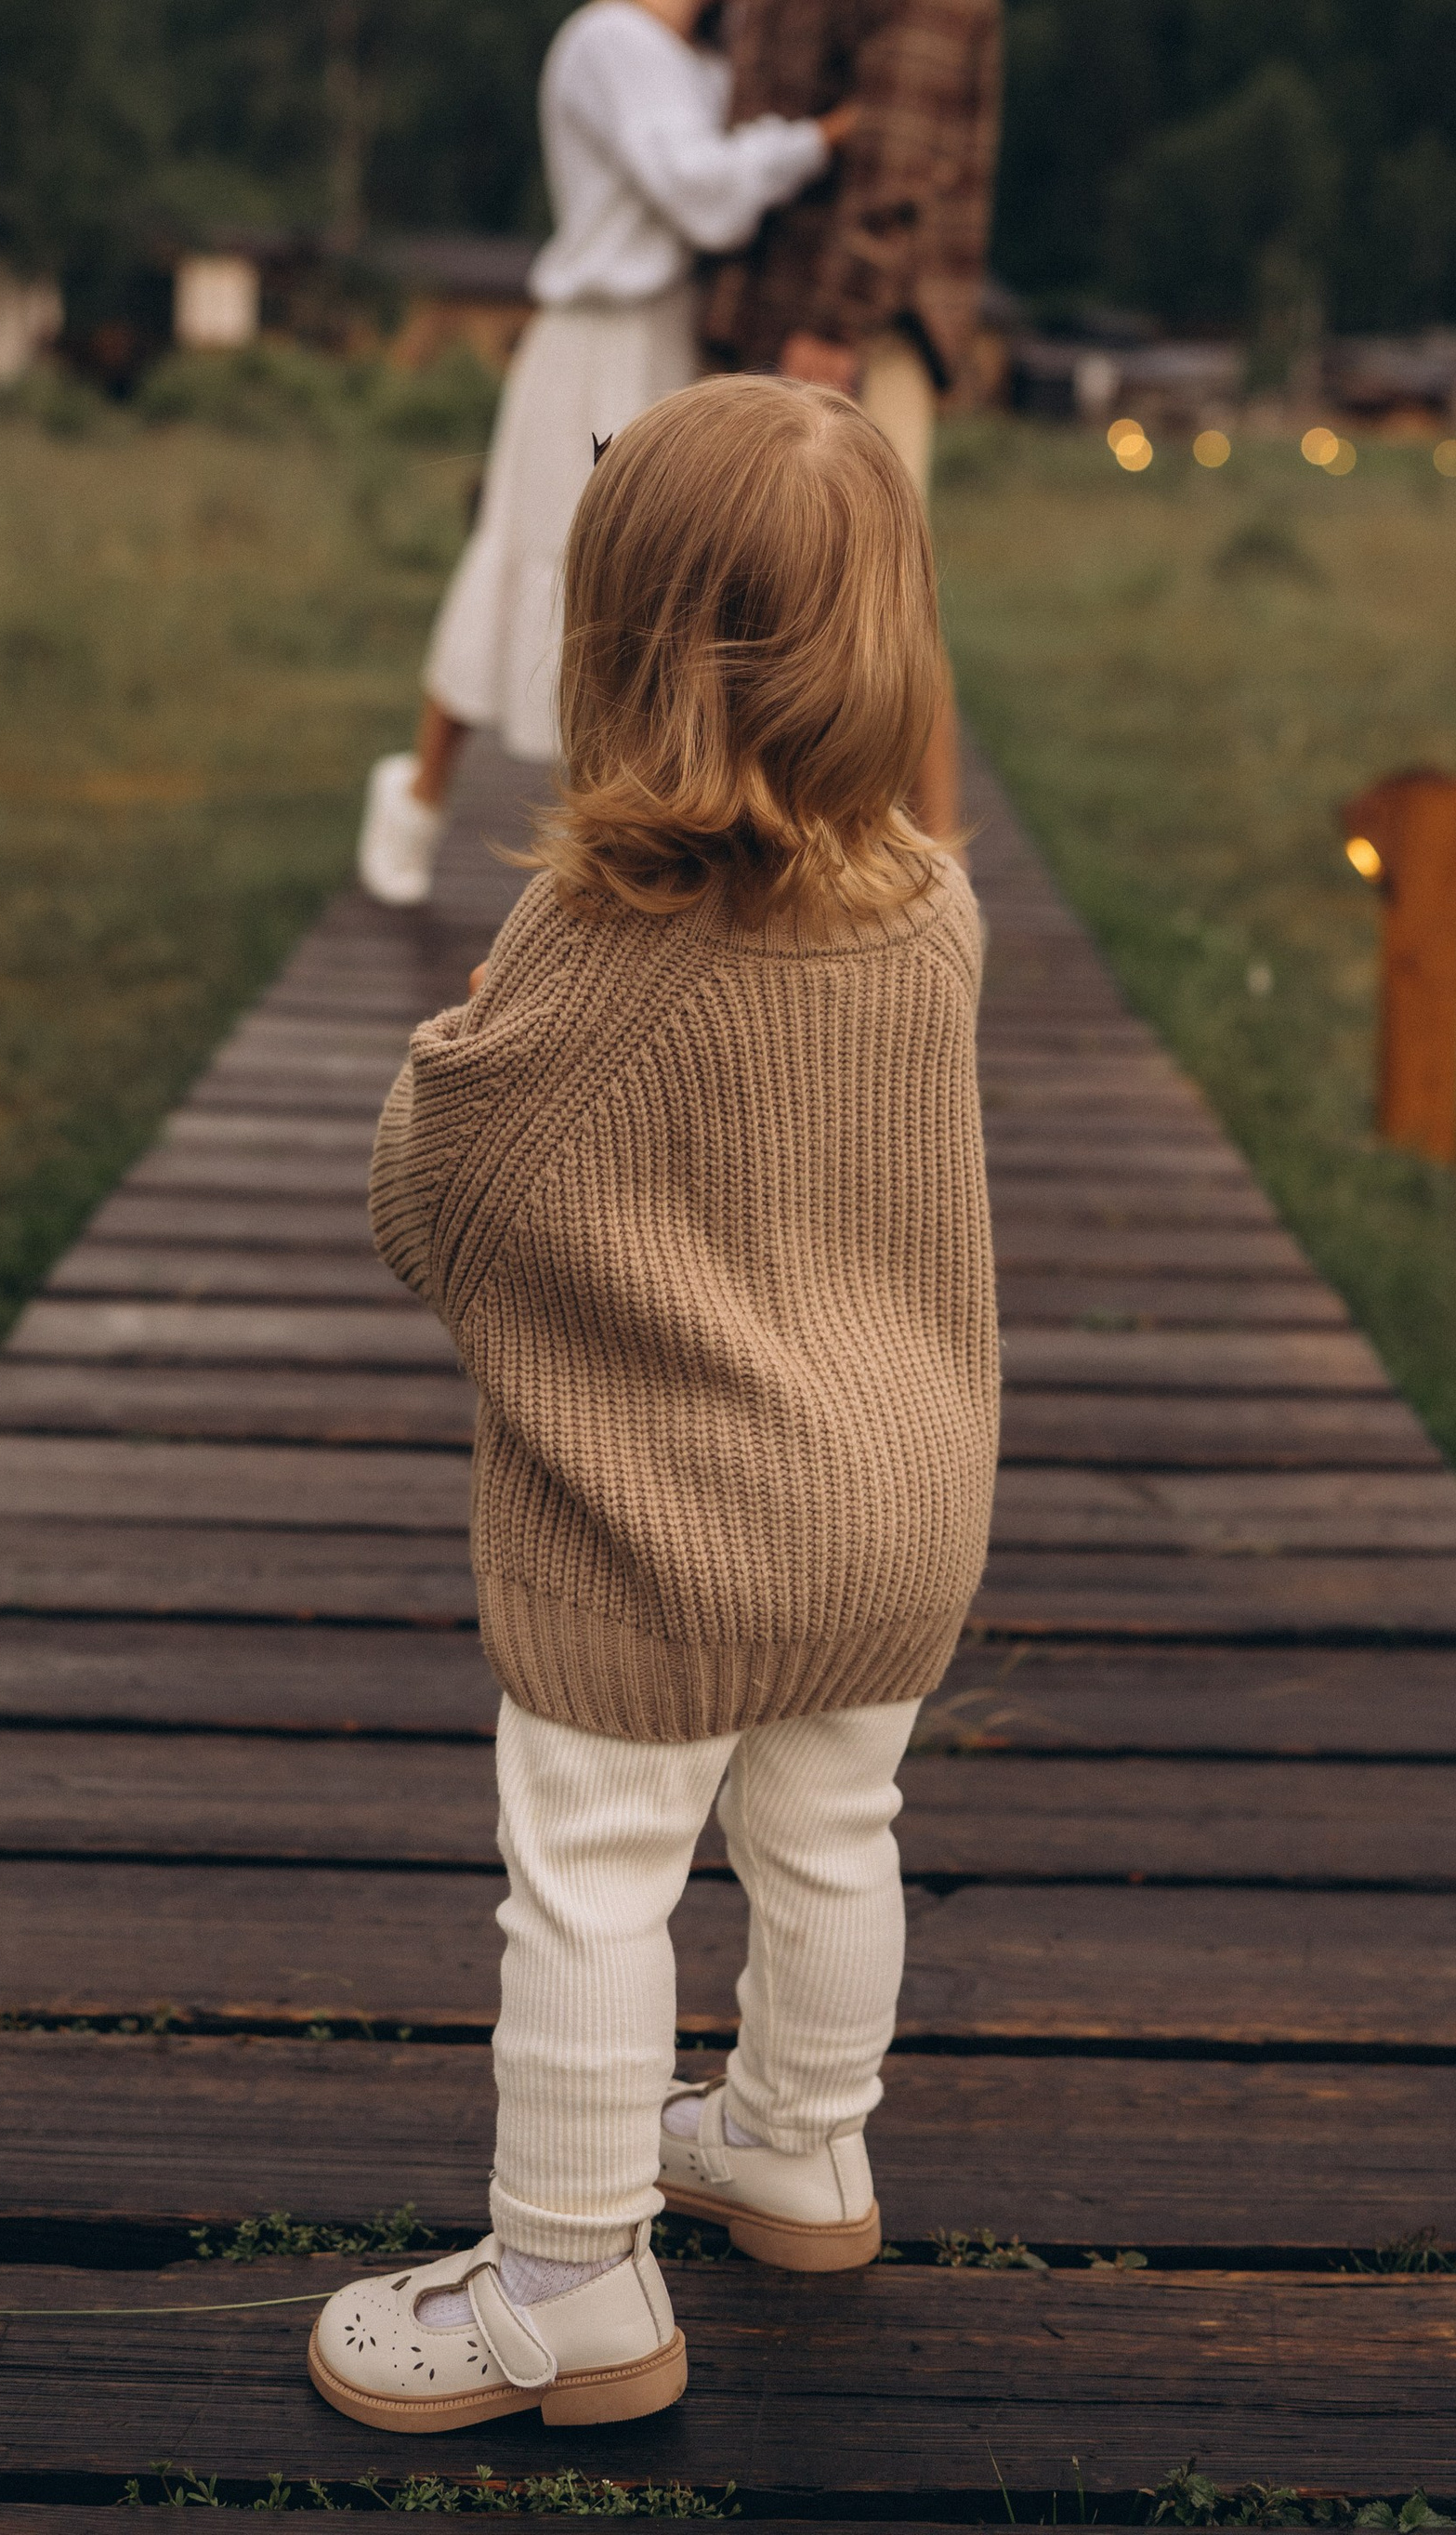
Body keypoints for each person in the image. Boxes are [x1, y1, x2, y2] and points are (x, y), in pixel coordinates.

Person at [308, 374, 999, 2435]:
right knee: (830, 1829)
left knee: (595, 1880)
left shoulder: (605, 936)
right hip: (893, 1505)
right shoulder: (935, 904)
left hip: (667, 1530)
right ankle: (796, 2142)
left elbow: (431, 1197)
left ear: (612, 651)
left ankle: (566, 2284)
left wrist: (453, 1051)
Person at [355, 0, 846, 908]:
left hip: (669, 339)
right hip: (591, 336)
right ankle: (423, 798)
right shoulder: (606, 37)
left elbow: (743, 113)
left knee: (651, 582)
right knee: (546, 557)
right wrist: (817, 141)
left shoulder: (703, 66)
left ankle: (609, 845)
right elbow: (703, 193)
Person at [698, 0, 1002, 845]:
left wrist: (835, 322)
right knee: (782, 606)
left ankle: (934, 888)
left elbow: (905, 143)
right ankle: (794, 874)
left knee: (873, 605)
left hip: (853, 326)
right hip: (771, 317)